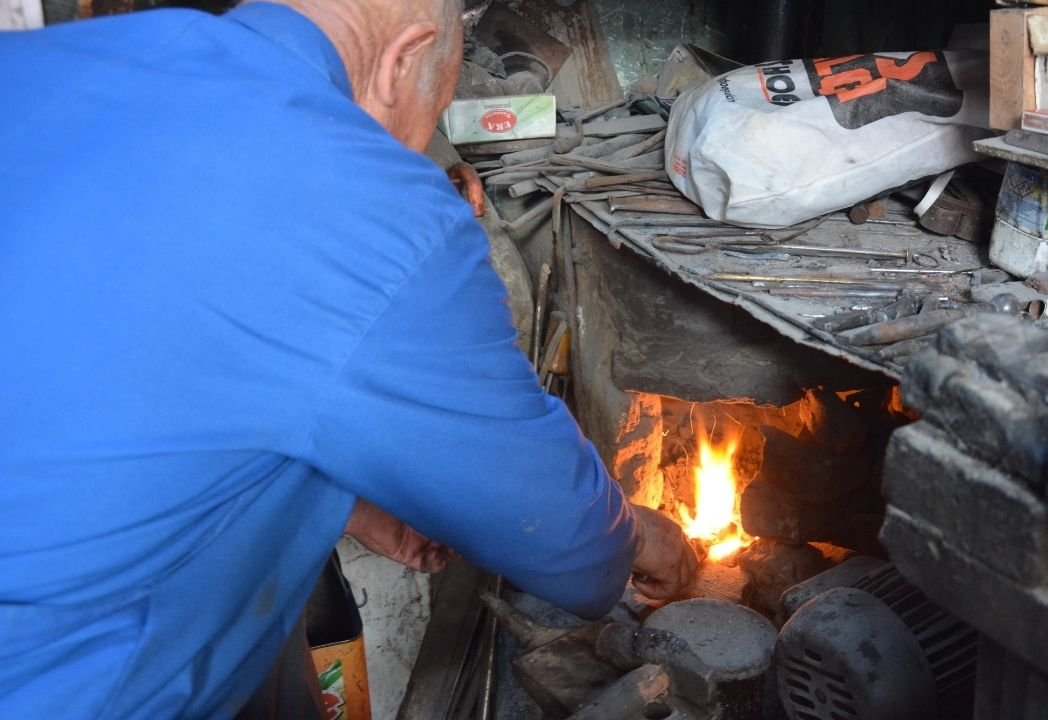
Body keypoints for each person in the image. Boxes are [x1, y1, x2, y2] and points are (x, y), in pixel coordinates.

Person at [0, 0, 699, 715]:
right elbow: (554, 532)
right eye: (435, 110)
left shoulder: (49, 64)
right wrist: (637, 535)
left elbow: (131, 366)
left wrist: (345, 501)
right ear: (404, 58)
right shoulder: (367, 203)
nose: (418, 147)